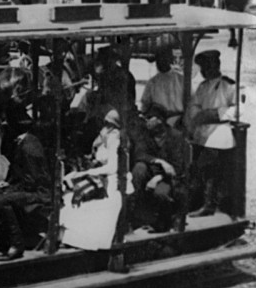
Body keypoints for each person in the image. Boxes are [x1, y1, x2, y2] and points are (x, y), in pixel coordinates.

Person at [0, 113, 53, 261]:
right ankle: (2, 240)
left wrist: (11, 188)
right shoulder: (22, 142)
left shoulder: (29, 146)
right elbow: (19, 172)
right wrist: (8, 183)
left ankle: (17, 244)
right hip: (26, 187)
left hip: (39, 193)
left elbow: (32, 181)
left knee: (2, 201)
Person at [185, 50, 238, 217]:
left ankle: (209, 204)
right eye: (202, 67)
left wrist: (217, 114)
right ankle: (198, 202)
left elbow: (238, 109)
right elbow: (194, 107)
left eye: (207, 66)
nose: (203, 70)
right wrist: (197, 115)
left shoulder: (228, 85)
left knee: (208, 167)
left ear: (216, 65)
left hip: (219, 133)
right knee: (195, 167)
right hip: (201, 133)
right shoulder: (202, 87)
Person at [131, 104, 189, 232]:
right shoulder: (145, 134)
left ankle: (168, 220)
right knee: (139, 169)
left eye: (149, 118)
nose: (146, 121)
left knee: (161, 192)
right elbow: (139, 154)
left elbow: (178, 167)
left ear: (160, 120)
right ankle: (136, 217)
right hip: (152, 173)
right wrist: (159, 161)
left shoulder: (175, 136)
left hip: (169, 179)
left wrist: (158, 178)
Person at [64, 107, 122, 207]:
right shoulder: (102, 139)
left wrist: (89, 171)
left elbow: (112, 167)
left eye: (108, 124)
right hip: (95, 172)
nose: (104, 127)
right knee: (67, 180)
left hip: (105, 178)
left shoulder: (114, 140)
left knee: (78, 191)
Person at [140, 45, 183, 125]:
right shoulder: (152, 82)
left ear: (170, 61)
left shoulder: (181, 80)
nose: (160, 62)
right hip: (161, 123)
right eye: (158, 60)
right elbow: (145, 105)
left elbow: (145, 107)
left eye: (163, 59)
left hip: (176, 122)